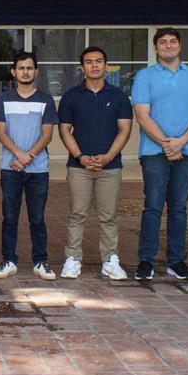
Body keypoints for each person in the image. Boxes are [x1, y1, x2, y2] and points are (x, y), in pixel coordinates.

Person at [131, 28, 188, 281]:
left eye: (172, 41)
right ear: (156, 48)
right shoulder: (144, 76)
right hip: (154, 152)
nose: (168, 46)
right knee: (153, 206)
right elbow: (142, 115)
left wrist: (181, 143)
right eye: (162, 42)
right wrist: (167, 143)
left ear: (180, 45)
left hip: (187, 152)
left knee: (178, 208)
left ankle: (177, 261)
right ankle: (146, 260)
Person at [57, 46, 133, 281]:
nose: (94, 65)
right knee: (77, 213)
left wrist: (108, 156)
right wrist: (80, 156)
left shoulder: (118, 96)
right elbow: (65, 130)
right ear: (82, 67)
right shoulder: (72, 96)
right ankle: (72, 259)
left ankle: (110, 259)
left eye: (99, 61)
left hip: (109, 167)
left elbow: (124, 130)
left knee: (108, 215)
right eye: (89, 62)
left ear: (105, 65)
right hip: (79, 167)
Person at [0, 51, 58, 281]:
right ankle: (8, 260)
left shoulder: (46, 99)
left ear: (36, 71)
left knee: (37, 218)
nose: (25, 72)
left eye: (30, 68)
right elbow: (1, 133)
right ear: (14, 72)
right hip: (10, 168)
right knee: (9, 217)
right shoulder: (4, 99)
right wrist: (19, 155)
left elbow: (47, 135)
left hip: (38, 170)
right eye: (21, 68)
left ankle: (40, 261)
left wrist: (28, 156)